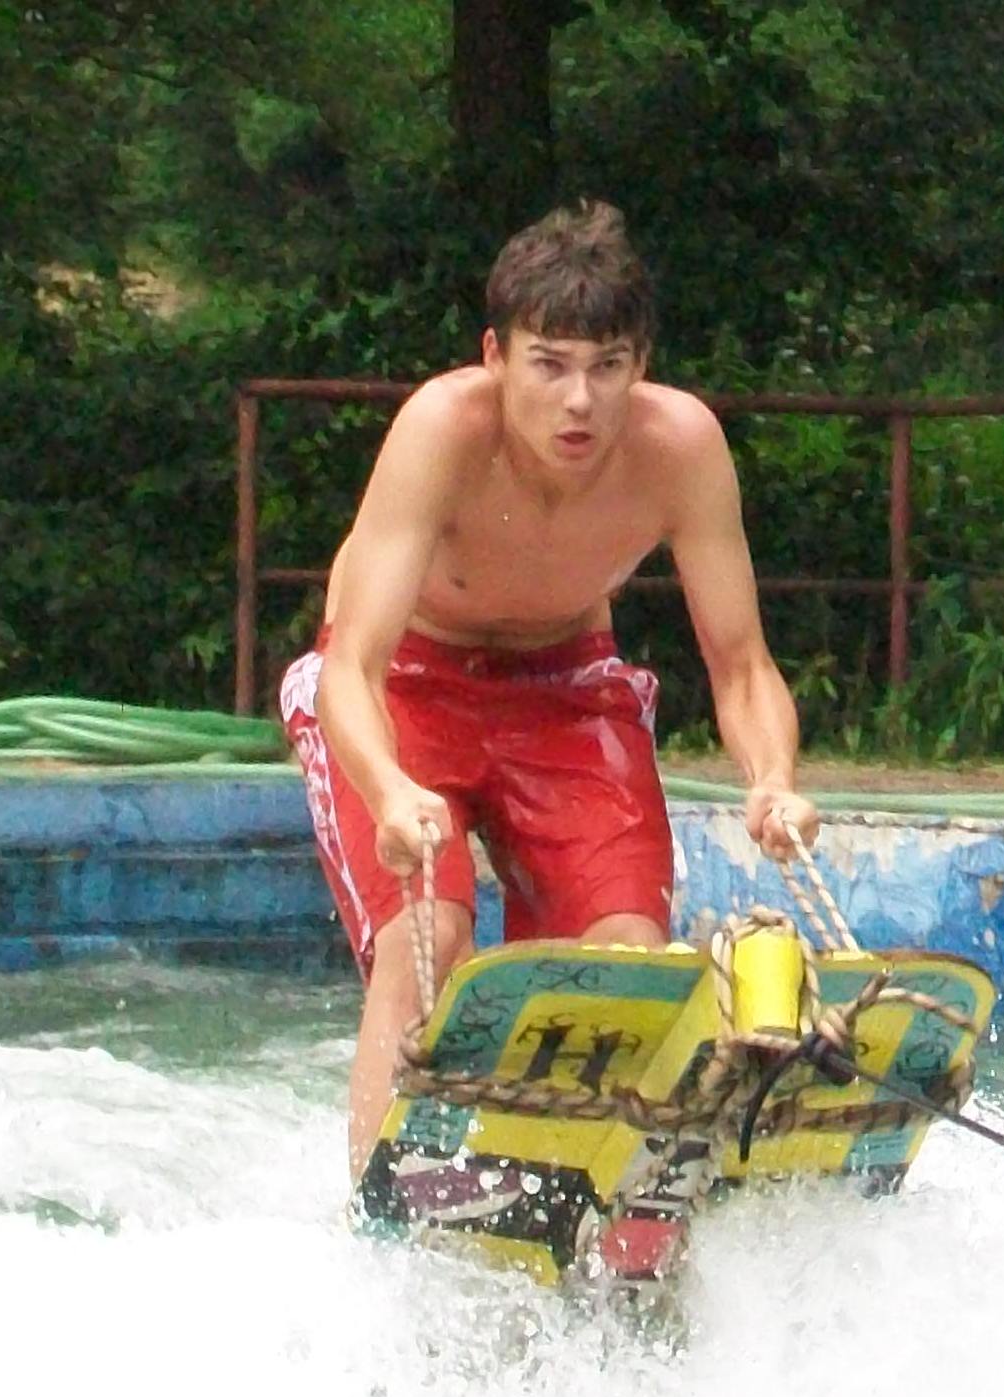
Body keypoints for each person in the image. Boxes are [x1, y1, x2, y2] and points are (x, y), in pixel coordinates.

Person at [279, 200, 819, 1192]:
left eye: (607, 366)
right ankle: (378, 1211)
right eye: (550, 364)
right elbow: (351, 664)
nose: (580, 402)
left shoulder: (682, 446)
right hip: (403, 684)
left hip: (566, 687)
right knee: (428, 933)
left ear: (640, 364)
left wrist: (773, 779)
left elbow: (742, 665)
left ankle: (577, 1193)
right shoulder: (442, 428)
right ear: (496, 356)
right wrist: (390, 791)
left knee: (625, 959)